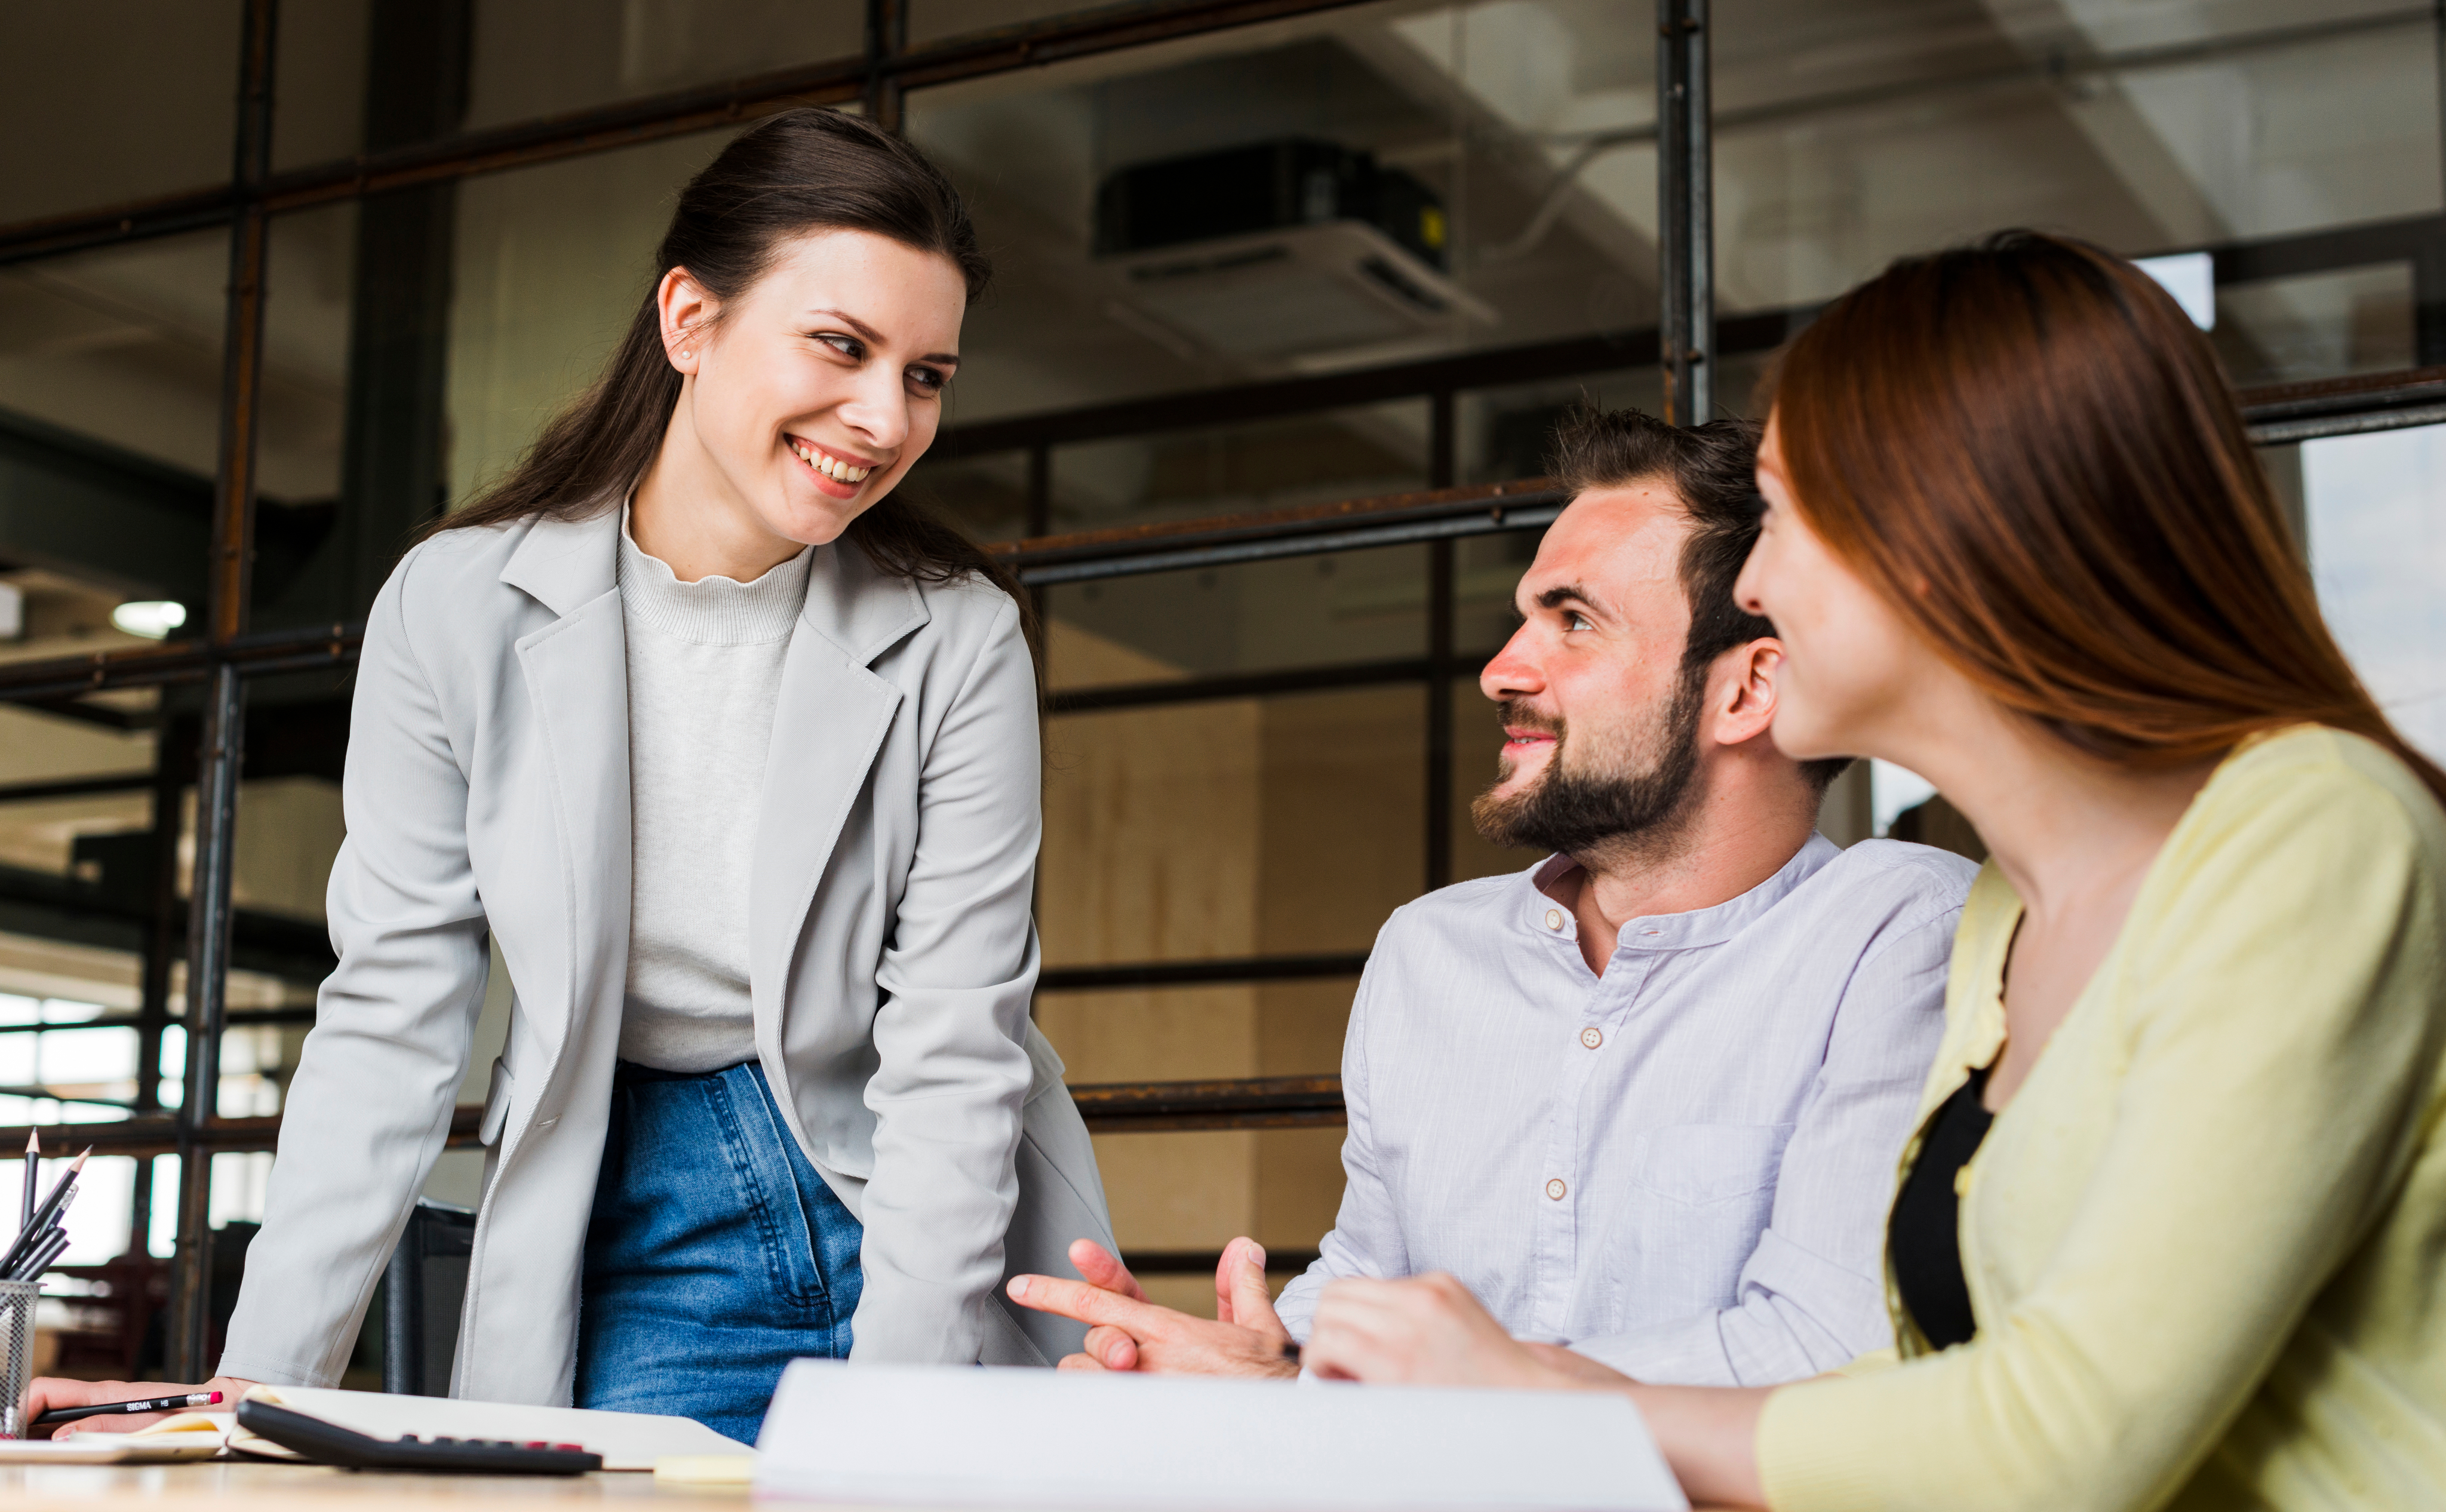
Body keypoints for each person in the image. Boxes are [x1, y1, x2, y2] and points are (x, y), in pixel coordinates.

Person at [1286, 232, 2446, 1512]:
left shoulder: (2311, 836)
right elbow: (1911, 1386)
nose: (1763, 586)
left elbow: (2063, 1437)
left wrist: (1528, 1399)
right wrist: (1317, 1379)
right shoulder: (2005, 912)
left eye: (1785, 517)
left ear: (1945, 533)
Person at [28, 109, 1113, 1444]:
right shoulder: (459, 607)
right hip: (643, 1207)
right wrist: (251, 1386)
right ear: (689, 319)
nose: (885, 418)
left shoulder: (957, 632)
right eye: (840, 346)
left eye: (927, 374)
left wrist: (887, 1425)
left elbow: (956, 1044)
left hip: (925, 1205)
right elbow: (392, 1017)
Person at [1010, 410, 1976, 1385]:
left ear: (1747, 690)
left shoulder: (1900, 934)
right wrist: (1269, 1358)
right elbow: (1368, 1275)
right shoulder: (1429, 948)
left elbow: (1826, 1351)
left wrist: (1438, 1385)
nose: (1502, 670)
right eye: (1526, 617)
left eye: (1575, 621)